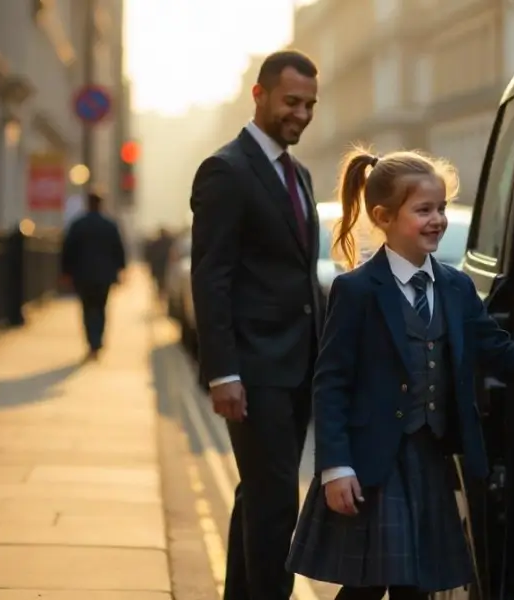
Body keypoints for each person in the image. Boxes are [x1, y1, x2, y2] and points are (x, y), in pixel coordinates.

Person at [286, 148, 514, 600]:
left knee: (417, 586)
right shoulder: (356, 290)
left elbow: (500, 354)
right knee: (366, 586)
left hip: (430, 461)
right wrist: (335, 466)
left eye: (442, 208)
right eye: (423, 210)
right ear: (384, 216)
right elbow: (331, 383)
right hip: (373, 464)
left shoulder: (456, 286)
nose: (438, 220)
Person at [189, 50, 323, 600]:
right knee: (274, 506)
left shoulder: (300, 174)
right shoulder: (227, 169)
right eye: (292, 102)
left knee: (258, 497)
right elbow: (211, 277)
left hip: (297, 365)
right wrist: (223, 373)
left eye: (311, 104)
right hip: (254, 368)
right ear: (260, 95)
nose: (301, 114)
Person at [60, 192, 126, 360]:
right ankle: (98, 341)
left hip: (82, 275)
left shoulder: (78, 224)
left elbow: (68, 250)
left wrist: (66, 272)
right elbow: (119, 249)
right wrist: (120, 270)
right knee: (101, 307)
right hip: (104, 275)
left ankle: (92, 341)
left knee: (87, 308)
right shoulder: (109, 225)